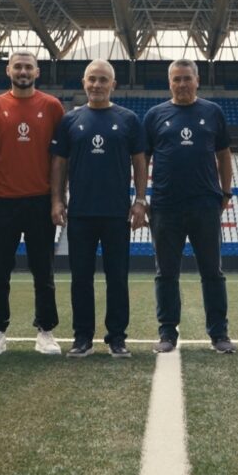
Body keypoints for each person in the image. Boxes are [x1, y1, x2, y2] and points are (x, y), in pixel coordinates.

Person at [50, 60, 148, 358]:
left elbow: (140, 161)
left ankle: (117, 337)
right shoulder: (70, 120)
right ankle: (82, 338)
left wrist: (140, 200)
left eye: (103, 79)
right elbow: (59, 164)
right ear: (84, 82)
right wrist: (57, 199)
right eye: (92, 79)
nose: (97, 85)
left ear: (113, 84)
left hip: (117, 213)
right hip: (80, 213)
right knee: (81, 278)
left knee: (117, 277)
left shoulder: (129, 119)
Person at [143, 59, 236, 354]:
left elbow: (224, 155)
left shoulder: (213, 112)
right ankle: (168, 333)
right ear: (169, 82)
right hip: (164, 206)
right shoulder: (154, 115)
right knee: (166, 273)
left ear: (197, 80)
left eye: (187, 78)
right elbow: (142, 159)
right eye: (176, 79)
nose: (181, 84)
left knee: (212, 272)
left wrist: (225, 192)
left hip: (205, 204)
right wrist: (141, 197)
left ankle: (219, 334)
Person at [0, 51, 66, 356]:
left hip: (40, 201)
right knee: (0, 269)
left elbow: (59, 158)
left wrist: (57, 199)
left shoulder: (52, 106)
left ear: (37, 72)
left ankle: (46, 330)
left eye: (29, 67)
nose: (23, 71)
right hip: (4, 200)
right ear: (8, 70)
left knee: (44, 270)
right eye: (18, 66)